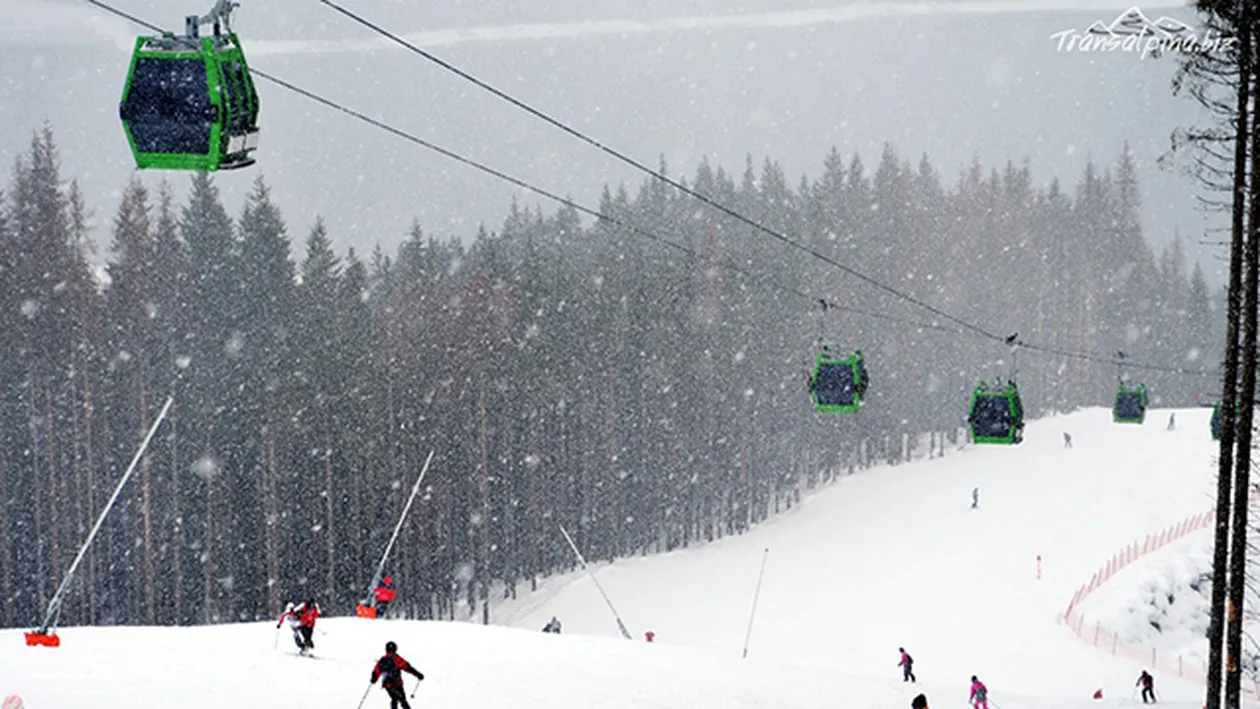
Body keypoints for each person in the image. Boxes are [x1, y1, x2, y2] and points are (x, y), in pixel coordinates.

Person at [371, 640, 425, 709]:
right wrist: (418, 674)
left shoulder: (382, 660)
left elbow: (376, 671)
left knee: (394, 699)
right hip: (397, 683)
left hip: (388, 685)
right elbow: (407, 667)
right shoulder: (396, 658)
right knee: (402, 700)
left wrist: (373, 679)